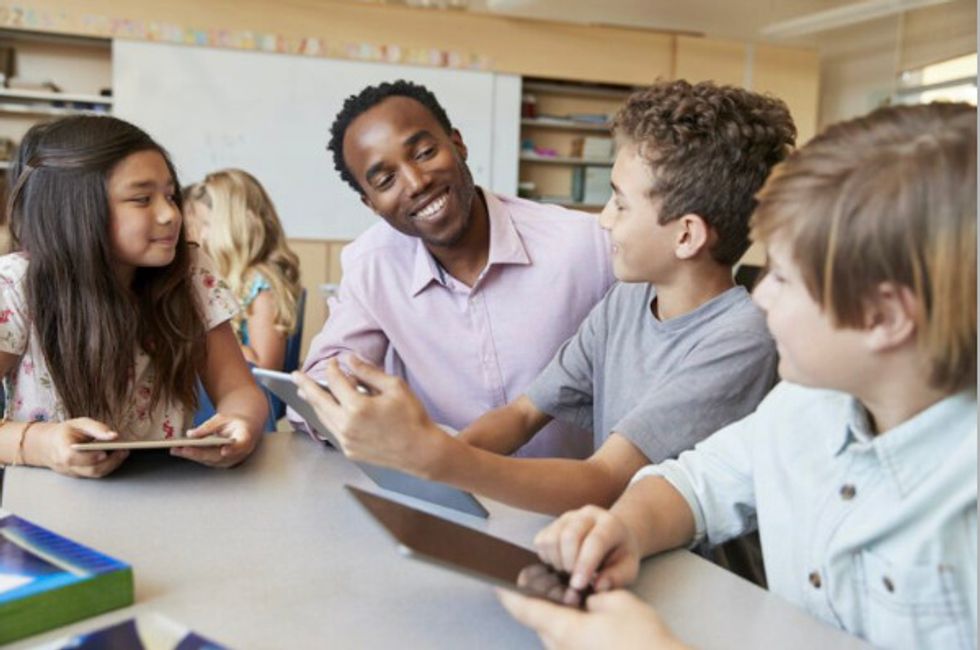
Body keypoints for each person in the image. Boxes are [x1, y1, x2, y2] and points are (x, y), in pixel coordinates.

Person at [498, 102, 977, 650]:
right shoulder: (803, 407)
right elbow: (695, 485)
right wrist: (623, 528)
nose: (763, 296)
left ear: (884, 318)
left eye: (787, 279)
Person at [294, 80, 793, 515]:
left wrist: (436, 458)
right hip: (609, 541)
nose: (603, 220)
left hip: (700, 578)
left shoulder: (739, 338)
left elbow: (604, 481)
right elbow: (524, 414)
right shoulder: (627, 302)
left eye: (619, 202)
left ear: (685, 236)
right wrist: (425, 471)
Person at [295, 79, 615, 458]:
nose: (416, 182)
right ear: (371, 204)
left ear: (457, 143)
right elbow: (317, 387)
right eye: (386, 180)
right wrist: (350, 405)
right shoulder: (373, 265)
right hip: (446, 498)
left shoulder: (583, 244)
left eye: (425, 152)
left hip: (575, 503)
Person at [0, 115, 268, 478]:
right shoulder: (16, 284)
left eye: (171, 196)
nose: (170, 214)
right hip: (49, 498)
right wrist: (42, 445)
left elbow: (240, 389)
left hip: (163, 488)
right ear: (75, 211)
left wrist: (241, 423)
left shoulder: (190, 274)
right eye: (142, 199)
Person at [186, 169, 302, 370]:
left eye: (206, 225)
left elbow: (265, 366)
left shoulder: (260, 284)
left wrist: (205, 337)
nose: (201, 236)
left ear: (235, 227)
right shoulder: (223, 278)